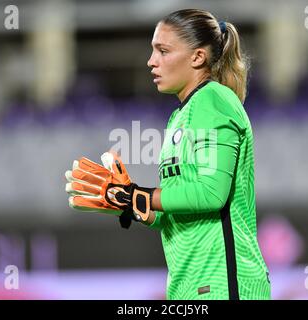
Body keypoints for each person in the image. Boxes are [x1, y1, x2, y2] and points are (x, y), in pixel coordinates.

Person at [65, 8, 270, 300]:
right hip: (192, 286)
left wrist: (137, 194)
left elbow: (212, 194)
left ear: (197, 57)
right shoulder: (180, 116)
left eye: (163, 50)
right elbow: (183, 210)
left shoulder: (213, 100)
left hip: (225, 283)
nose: (151, 61)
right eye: (153, 50)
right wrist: (131, 203)